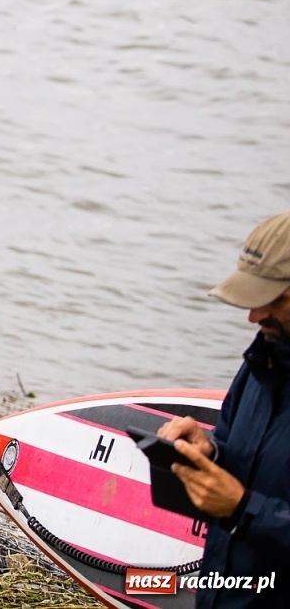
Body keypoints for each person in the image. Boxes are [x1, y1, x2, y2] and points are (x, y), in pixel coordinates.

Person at [158, 212, 290, 608]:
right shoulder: (262, 361)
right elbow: (252, 463)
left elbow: (243, 503)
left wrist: (241, 509)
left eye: (273, 299)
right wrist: (211, 454)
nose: (254, 315)